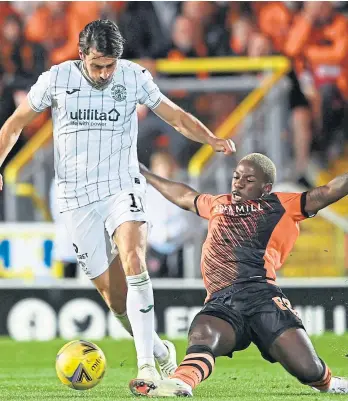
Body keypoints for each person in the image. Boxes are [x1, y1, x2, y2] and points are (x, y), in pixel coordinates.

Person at [0, 19, 235, 381]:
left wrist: (211, 139)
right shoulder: (56, 80)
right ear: (81, 56)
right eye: (97, 65)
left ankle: (146, 369)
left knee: (133, 257)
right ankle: (160, 349)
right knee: (116, 300)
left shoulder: (133, 76)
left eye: (110, 65)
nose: (105, 73)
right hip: (75, 199)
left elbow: (173, 115)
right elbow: (15, 123)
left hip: (122, 187)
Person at [130, 153, 348, 397]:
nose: (239, 183)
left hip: (262, 297)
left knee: (310, 371)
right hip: (222, 302)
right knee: (203, 335)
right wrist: (147, 175)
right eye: (236, 177)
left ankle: (332, 383)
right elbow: (183, 196)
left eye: (249, 180)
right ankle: (180, 383)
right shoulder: (217, 203)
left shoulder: (282, 204)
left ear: (266, 188)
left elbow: (328, 191)